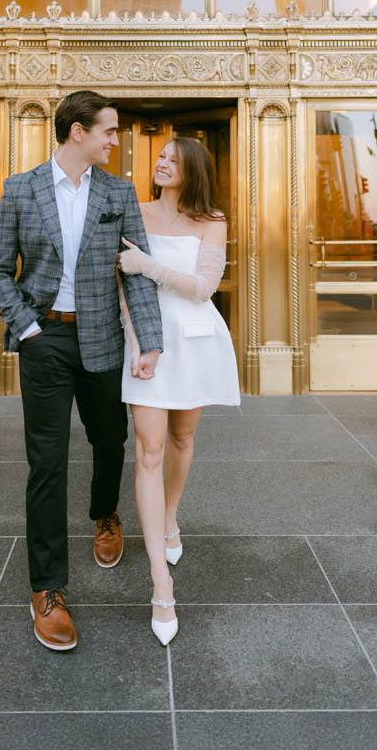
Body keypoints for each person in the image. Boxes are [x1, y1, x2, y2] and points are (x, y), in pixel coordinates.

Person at [0, 91, 163, 651]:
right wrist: (28, 329)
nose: (117, 141)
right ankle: (48, 589)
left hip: (103, 335)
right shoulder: (20, 189)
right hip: (45, 338)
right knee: (47, 460)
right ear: (77, 132)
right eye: (109, 131)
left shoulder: (117, 191)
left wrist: (150, 341)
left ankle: (105, 514)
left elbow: (136, 271)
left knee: (111, 441)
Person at [118, 137, 241, 645]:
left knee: (182, 440)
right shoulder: (135, 210)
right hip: (146, 344)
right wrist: (137, 339)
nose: (161, 163)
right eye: (160, 157)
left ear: (192, 169)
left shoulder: (212, 219)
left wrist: (148, 265)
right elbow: (122, 284)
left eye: (172, 158)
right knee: (148, 450)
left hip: (194, 340)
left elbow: (203, 287)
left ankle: (170, 516)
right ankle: (161, 586)